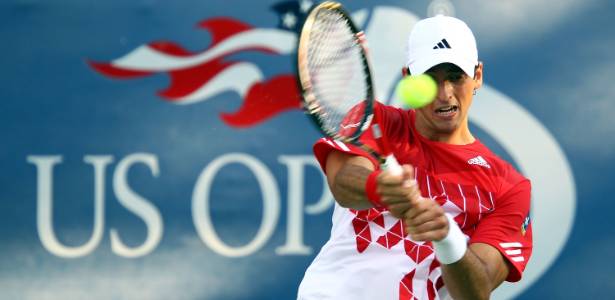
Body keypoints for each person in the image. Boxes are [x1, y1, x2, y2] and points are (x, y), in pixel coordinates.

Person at [297, 15, 533, 300]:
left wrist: (447, 238)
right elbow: (343, 181)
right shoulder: (376, 119)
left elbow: (477, 292)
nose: (444, 94)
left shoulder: (509, 187)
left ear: (477, 76)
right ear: (409, 77)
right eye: (429, 79)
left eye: (455, 77)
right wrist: (379, 187)